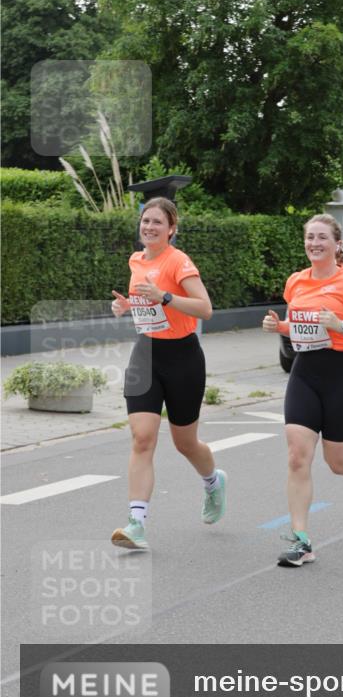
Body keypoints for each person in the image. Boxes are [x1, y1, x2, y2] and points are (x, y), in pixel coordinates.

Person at [263, 214, 343, 568]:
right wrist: (278, 326)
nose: (315, 243)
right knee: (298, 455)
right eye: (310, 237)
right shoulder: (296, 282)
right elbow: (298, 327)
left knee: (337, 462)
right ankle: (301, 540)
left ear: (337, 244)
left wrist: (341, 325)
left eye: (322, 238)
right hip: (305, 372)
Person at [109, 197, 225, 550]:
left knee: (184, 442)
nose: (149, 227)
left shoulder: (179, 262)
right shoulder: (136, 260)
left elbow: (205, 309)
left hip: (183, 358)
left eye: (157, 222)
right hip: (145, 354)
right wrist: (127, 306)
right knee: (142, 438)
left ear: (171, 229)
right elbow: (147, 305)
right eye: (145, 221)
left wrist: (164, 297)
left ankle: (212, 481)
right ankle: (136, 524)